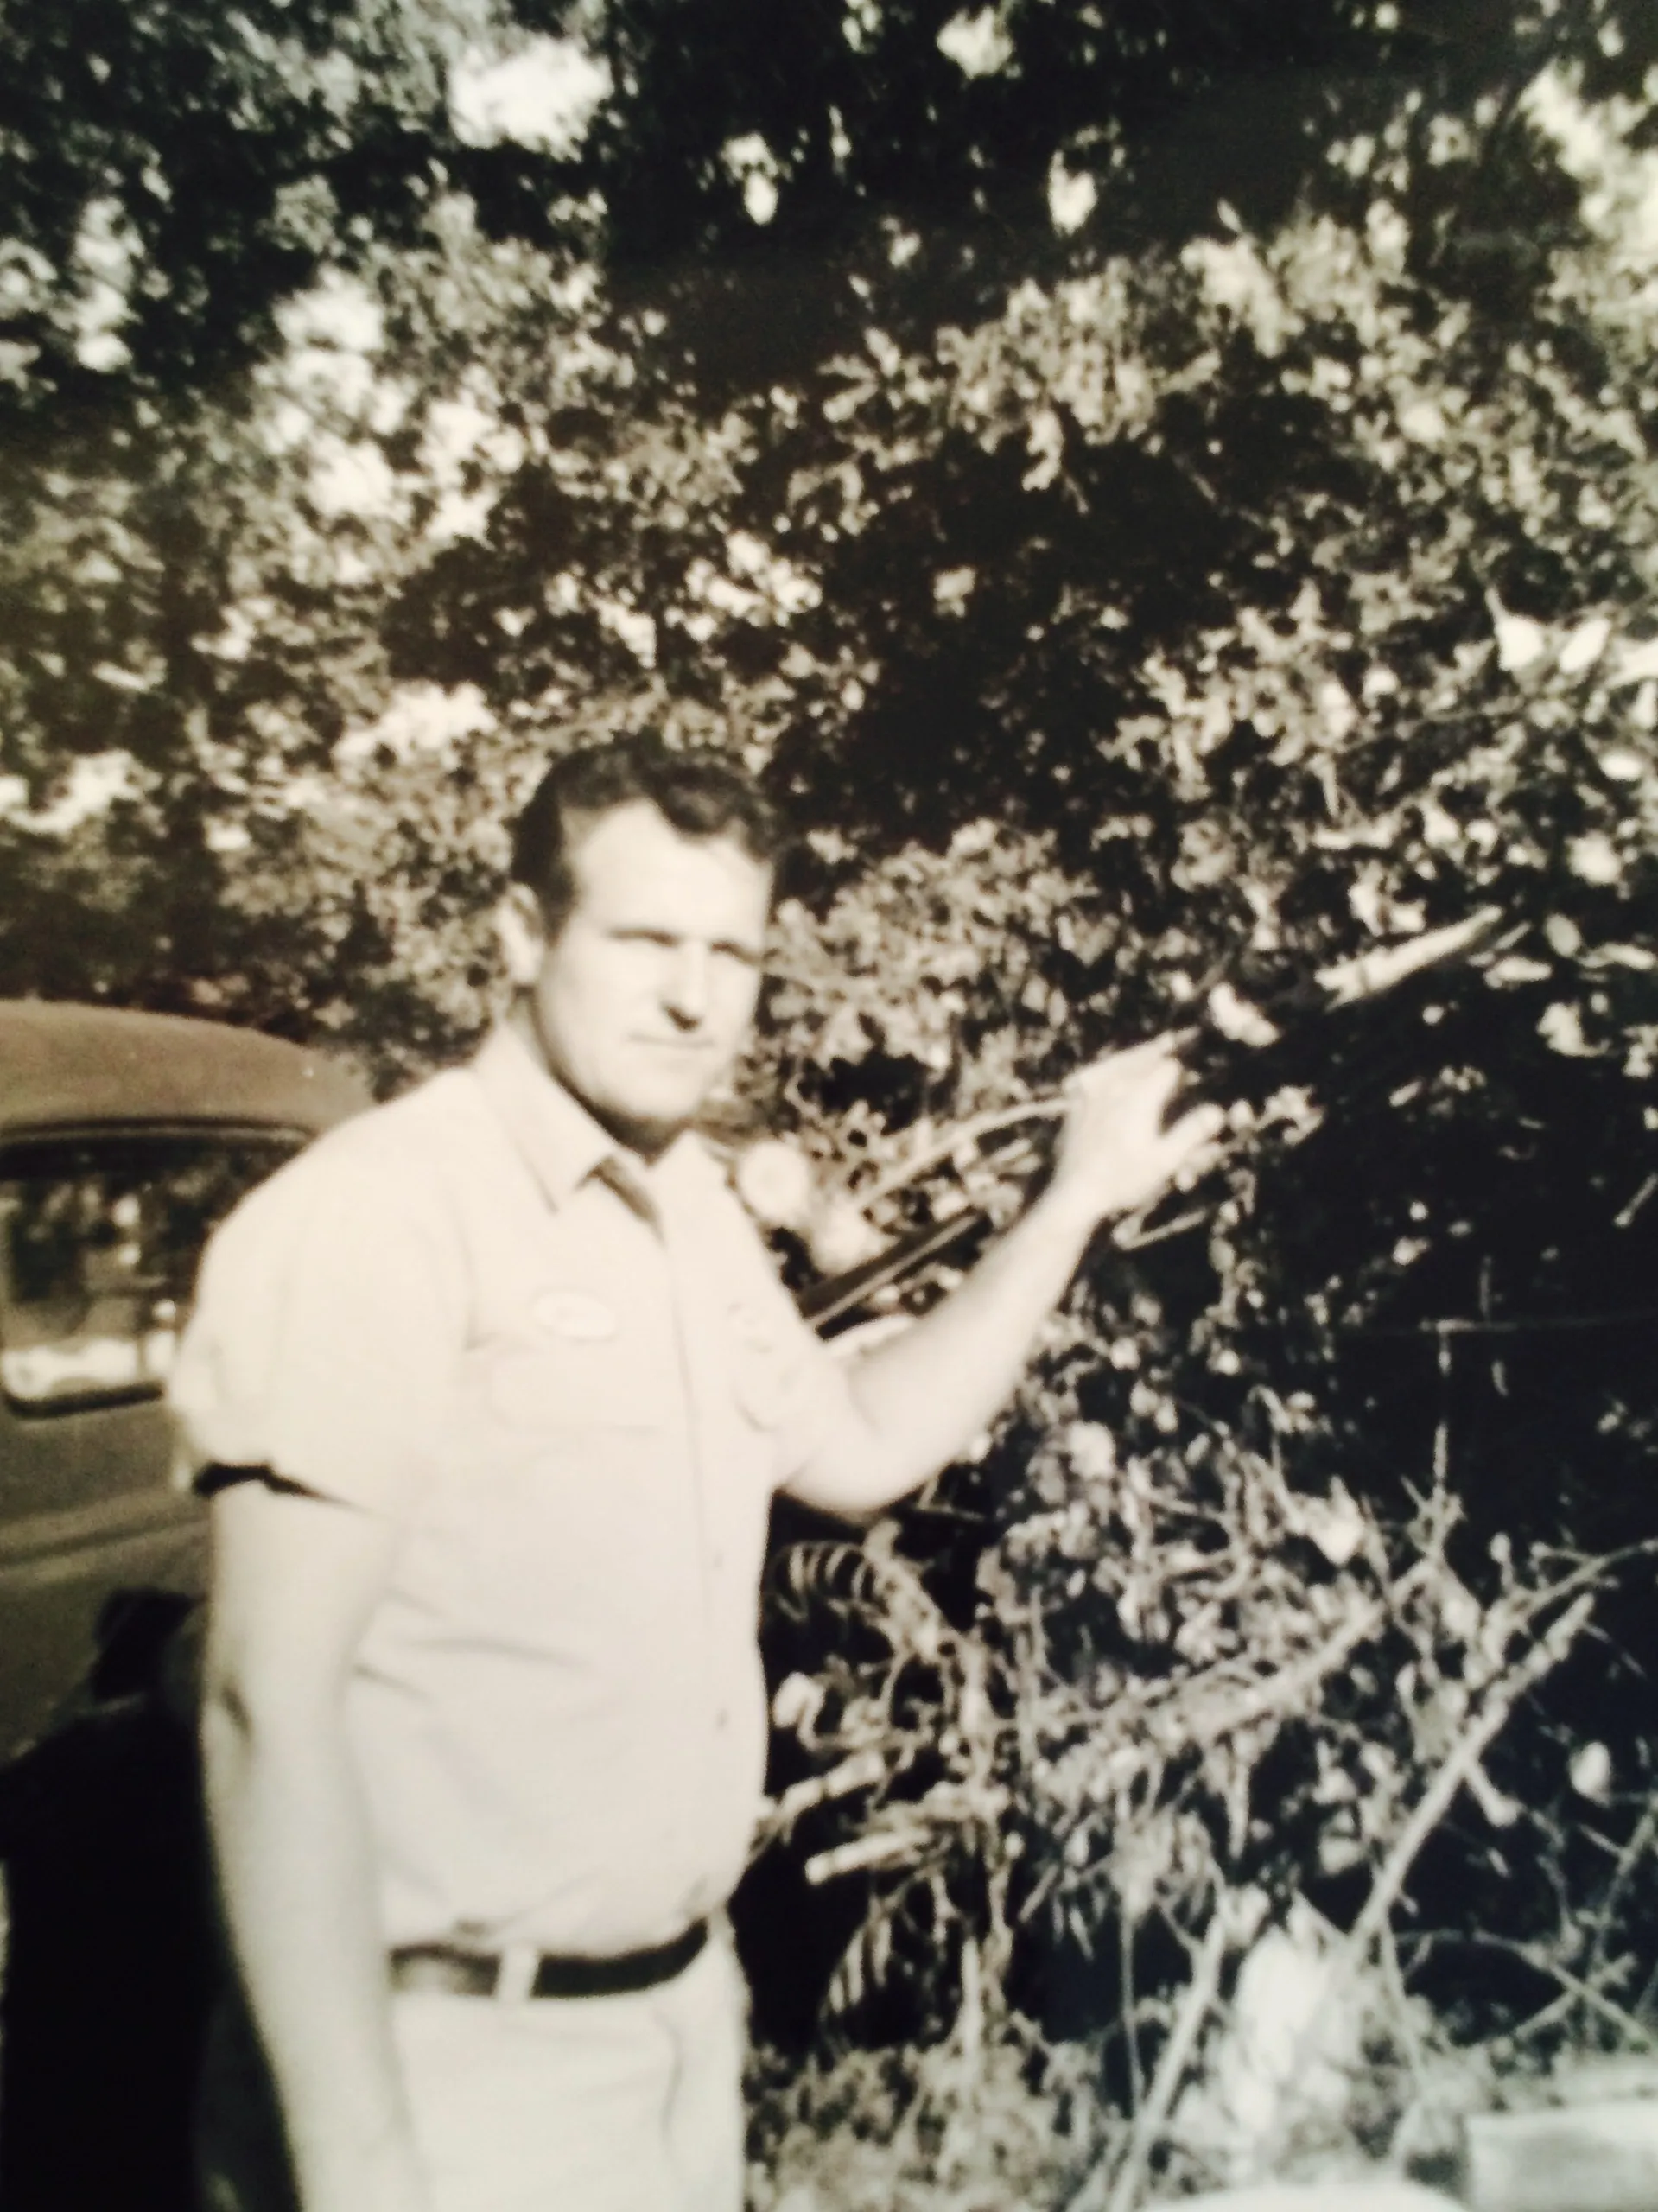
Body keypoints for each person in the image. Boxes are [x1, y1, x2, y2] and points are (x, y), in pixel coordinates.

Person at [168, 734, 1222, 2212]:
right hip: (438, 2067)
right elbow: (257, 1709)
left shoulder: (687, 1213)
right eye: (645, 938)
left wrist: (1069, 1206)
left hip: (664, 2037)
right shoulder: (376, 1222)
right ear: (522, 935)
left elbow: (858, 1448)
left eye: (730, 951)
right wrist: (360, 2164)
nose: (690, 993)